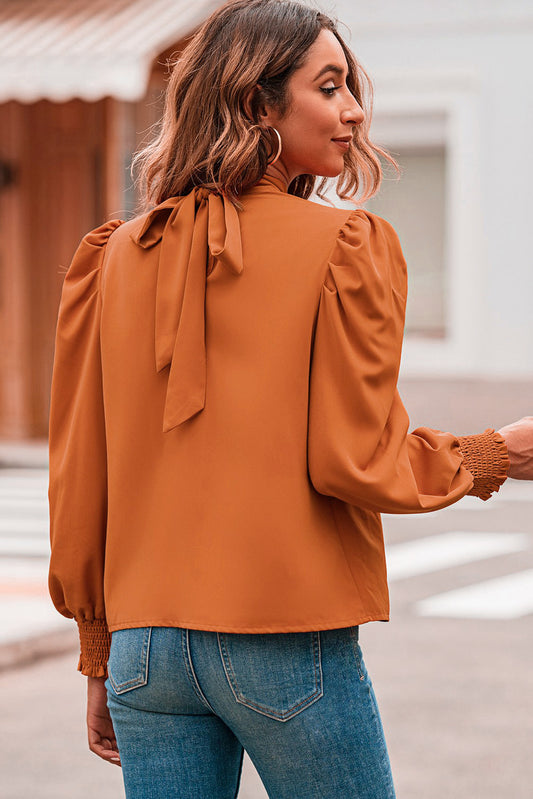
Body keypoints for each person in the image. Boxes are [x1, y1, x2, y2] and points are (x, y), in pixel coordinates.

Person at [47, 1, 533, 797]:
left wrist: (99, 653)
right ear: (255, 104)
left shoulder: (109, 260)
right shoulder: (343, 247)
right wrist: (491, 456)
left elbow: (81, 479)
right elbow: (356, 457)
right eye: (330, 85)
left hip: (145, 654)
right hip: (281, 643)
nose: (354, 110)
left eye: (351, 87)